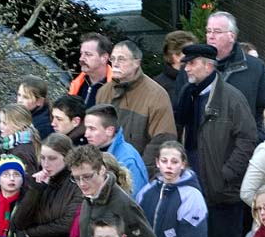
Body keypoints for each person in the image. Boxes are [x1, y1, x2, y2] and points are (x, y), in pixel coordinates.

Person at [174, 43, 257, 237]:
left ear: (208, 66)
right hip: (194, 187)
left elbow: (248, 139)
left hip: (222, 195)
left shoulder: (232, 98)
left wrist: (226, 173)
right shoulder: (188, 94)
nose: (186, 69)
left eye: (191, 64)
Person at [65, 144, 156, 237]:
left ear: (102, 170)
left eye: (87, 176)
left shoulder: (123, 204)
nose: (82, 183)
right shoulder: (88, 200)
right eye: (76, 178)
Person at [96, 40, 177, 176]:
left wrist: (139, 172)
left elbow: (162, 140)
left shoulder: (156, 95)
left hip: (136, 176)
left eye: (121, 59)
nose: (115, 63)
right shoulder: (103, 92)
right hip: (104, 173)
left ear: (136, 63)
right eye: (113, 59)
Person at [185, 11, 265, 129]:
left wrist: (254, 139)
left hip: (242, 142)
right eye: (208, 31)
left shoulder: (256, 68)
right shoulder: (192, 65)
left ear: (231, 36)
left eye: (217, 32)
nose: (211, 36)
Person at [136, 141, 208, 237]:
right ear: (157, 163)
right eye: (164, 161)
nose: (169, 166)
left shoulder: (191, 196)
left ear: (183, 164)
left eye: (174, 162)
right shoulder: (146, 191)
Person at [84, 104, 148, 196]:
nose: (86, 134)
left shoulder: (128, 160)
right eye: (86, 128)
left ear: (110, 131)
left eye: (92, 129)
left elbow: (132, 203)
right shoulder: (92, 152)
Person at [154, 30, 197, 110]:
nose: (194, 56)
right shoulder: (160, 86)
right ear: (175, 56)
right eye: (189, 53)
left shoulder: (197, 79)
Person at [70, 33, 113, 108]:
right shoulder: (77, 84)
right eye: (81, 54)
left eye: (88, 54)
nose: (81, 59)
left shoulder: (117, 89)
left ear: (104, 58)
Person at [0, 103, 40, 174]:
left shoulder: (21, 152)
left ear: (20, 126)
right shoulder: (13, 145)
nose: (0, 126)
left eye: (5, 123)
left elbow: (28, 182)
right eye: (0, 122)